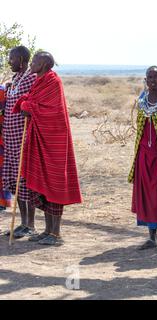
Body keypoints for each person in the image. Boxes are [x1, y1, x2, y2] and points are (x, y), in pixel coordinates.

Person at [13, 51, 82, 245]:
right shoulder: (39, 80)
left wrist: (28, 105)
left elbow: (51, 111)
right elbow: (33, 102)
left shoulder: (53, 81)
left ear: (43, 64)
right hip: (39, 138)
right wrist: (26, 102)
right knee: (43, 183)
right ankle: (47, 230)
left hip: (54, 140)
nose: (31, 63)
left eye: (34, 61)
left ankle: (56, 234)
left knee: (54, 185)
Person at [129, 66, 157, 252]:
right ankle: (151, 237)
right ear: (145, 80)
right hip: (143, 155)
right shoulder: (141, 102)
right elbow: (140, 130)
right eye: (150, 77)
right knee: (146, 194)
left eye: (156, 77)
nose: (153, 80)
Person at [3, 46, 37, 238]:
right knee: (16, 182)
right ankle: (22, 223)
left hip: (24, 139)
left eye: (12, 59)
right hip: (11, 139)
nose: (9, 62)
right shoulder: (15, 79)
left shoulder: (31, 78)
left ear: (22, 60)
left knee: (25, 181)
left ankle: (30, 225)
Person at [0, 85, 12, 211]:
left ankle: (2, 202)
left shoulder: (3, 92)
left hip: (2, 138)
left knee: (1, 170)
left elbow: (7, 114)